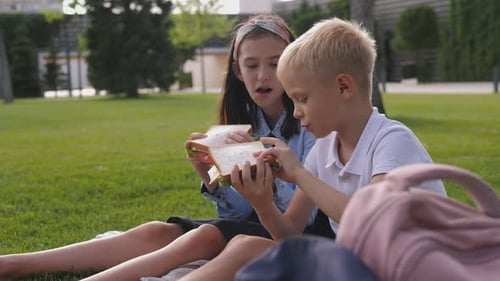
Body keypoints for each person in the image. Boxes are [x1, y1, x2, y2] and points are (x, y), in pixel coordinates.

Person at [0, 14, 332, 281]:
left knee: (204, 236)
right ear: (237, 70)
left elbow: (301, 221)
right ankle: (14, 263)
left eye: (275, 63)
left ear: (292, 63)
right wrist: (211, 177)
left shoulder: (311, 123)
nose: (263, 75)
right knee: (158, 231)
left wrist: (264, 188)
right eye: (252, 65)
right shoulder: (245, 122)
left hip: (300, 233)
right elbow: (236, 214)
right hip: (261, 224)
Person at [175, 17, 448, 281]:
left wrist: (300, 175)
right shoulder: (325, 149)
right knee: (248, 245)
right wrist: (263, 203)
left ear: (343, 86)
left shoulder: (392, 140)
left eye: (303, 99)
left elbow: (372, 220)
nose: (295, 112)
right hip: (362, 267)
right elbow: (290, 235)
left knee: (250, 249)